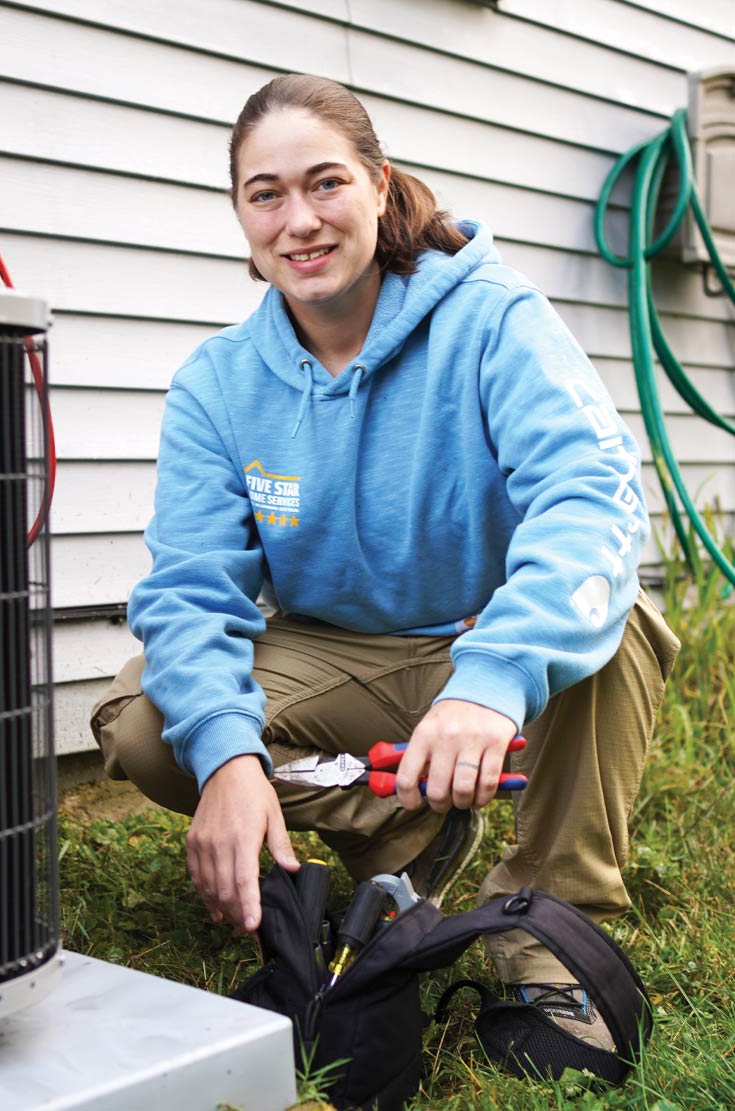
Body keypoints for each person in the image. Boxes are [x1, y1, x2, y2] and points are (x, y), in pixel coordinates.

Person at [90, 73, 680, 1047]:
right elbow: (192, 591)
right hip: (337, 652)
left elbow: (590, 503)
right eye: (265, 194)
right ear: (241, 216)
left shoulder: (494, 319)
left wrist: (493, 676)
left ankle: (548, 930)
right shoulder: (220, 383)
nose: (299, 220)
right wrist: (230, 756)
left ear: (377, 183)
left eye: (325, 183)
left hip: (485, 640)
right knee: (150, 722)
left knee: (615, 627)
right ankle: (406, 840)